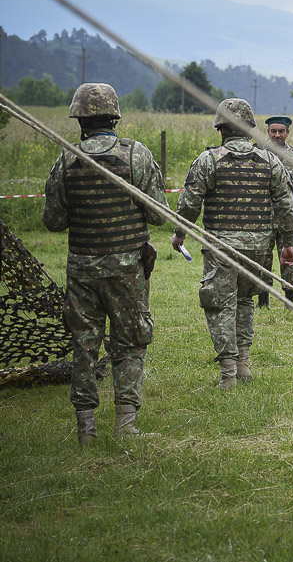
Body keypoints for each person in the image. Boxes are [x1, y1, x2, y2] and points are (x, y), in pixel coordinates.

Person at [42, 83, 169, 443]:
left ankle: (86, 429)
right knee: (129, 343)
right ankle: (126, 426)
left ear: (80, 120)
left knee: (84, 344)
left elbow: (52, 221)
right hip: (127, 269)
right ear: (114, 117)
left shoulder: (66, 158)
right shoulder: (136, 156)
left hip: (82, 268)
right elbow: (158, 216)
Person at [172, 98, 293, 388]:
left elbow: (189, 203)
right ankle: (243, 364)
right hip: (259, 248)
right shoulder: (270, 160)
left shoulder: (208, 160)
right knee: (245, 302)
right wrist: (288, 244)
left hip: (221, 247)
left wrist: (180, 234)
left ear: (221, 128)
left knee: (219, 306)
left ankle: (228, 374)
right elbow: (286, 207)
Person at [258, 115, 293, 306]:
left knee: (289, 259)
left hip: (287, 216)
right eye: (273, 131)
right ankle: (263, 300)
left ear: (288, 132)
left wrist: (285, 176)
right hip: (263, 216)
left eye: (281, 131)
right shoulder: (259, 153)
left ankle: (290, 301)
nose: (277, 135)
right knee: (263, 259)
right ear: (268, 132)